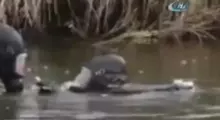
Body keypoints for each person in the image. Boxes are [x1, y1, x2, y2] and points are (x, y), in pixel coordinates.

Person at [36, 49, 194, 95]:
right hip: (127, 90)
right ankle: (177, 86)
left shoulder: (90, 68)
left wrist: (58, 87)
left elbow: (77, 86)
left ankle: (176, 87)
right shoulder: (120, 64)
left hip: (104, 92)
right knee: (154, 88)